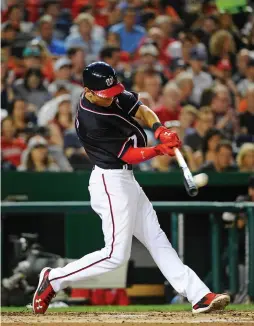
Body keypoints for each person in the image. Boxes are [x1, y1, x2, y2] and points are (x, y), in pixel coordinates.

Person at [32, 61, 230, 315]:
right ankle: (54, 278)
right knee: (115, 255)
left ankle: (199, 295)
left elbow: (141, 109)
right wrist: (159, 150)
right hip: (110, 182)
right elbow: (128, 154)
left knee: (156, 238)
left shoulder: (109, 93)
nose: (112, 97)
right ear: (88, 92)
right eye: (105, 95)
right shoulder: (91, 118)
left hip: (126, 180)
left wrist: (159, 129)